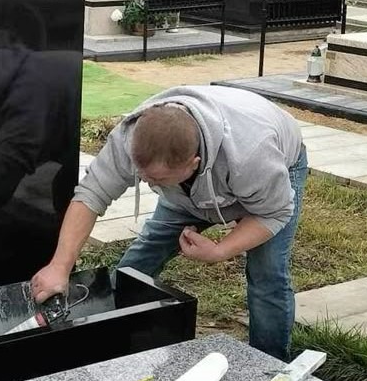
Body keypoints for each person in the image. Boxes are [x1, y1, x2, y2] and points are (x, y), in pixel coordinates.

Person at [31, 86, 307, 363]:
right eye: (145, 178)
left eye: (159, 181)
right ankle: (108, 343)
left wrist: (221, 250)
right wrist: (59, 265)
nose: (150, 184)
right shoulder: (130, 137)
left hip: (273, 174)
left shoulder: (251, 155)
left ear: (193, 163)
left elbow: (273, 213)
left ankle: (269, 365)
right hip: (189, 192)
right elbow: (91, 195)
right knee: (137, 263)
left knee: (267, 274)